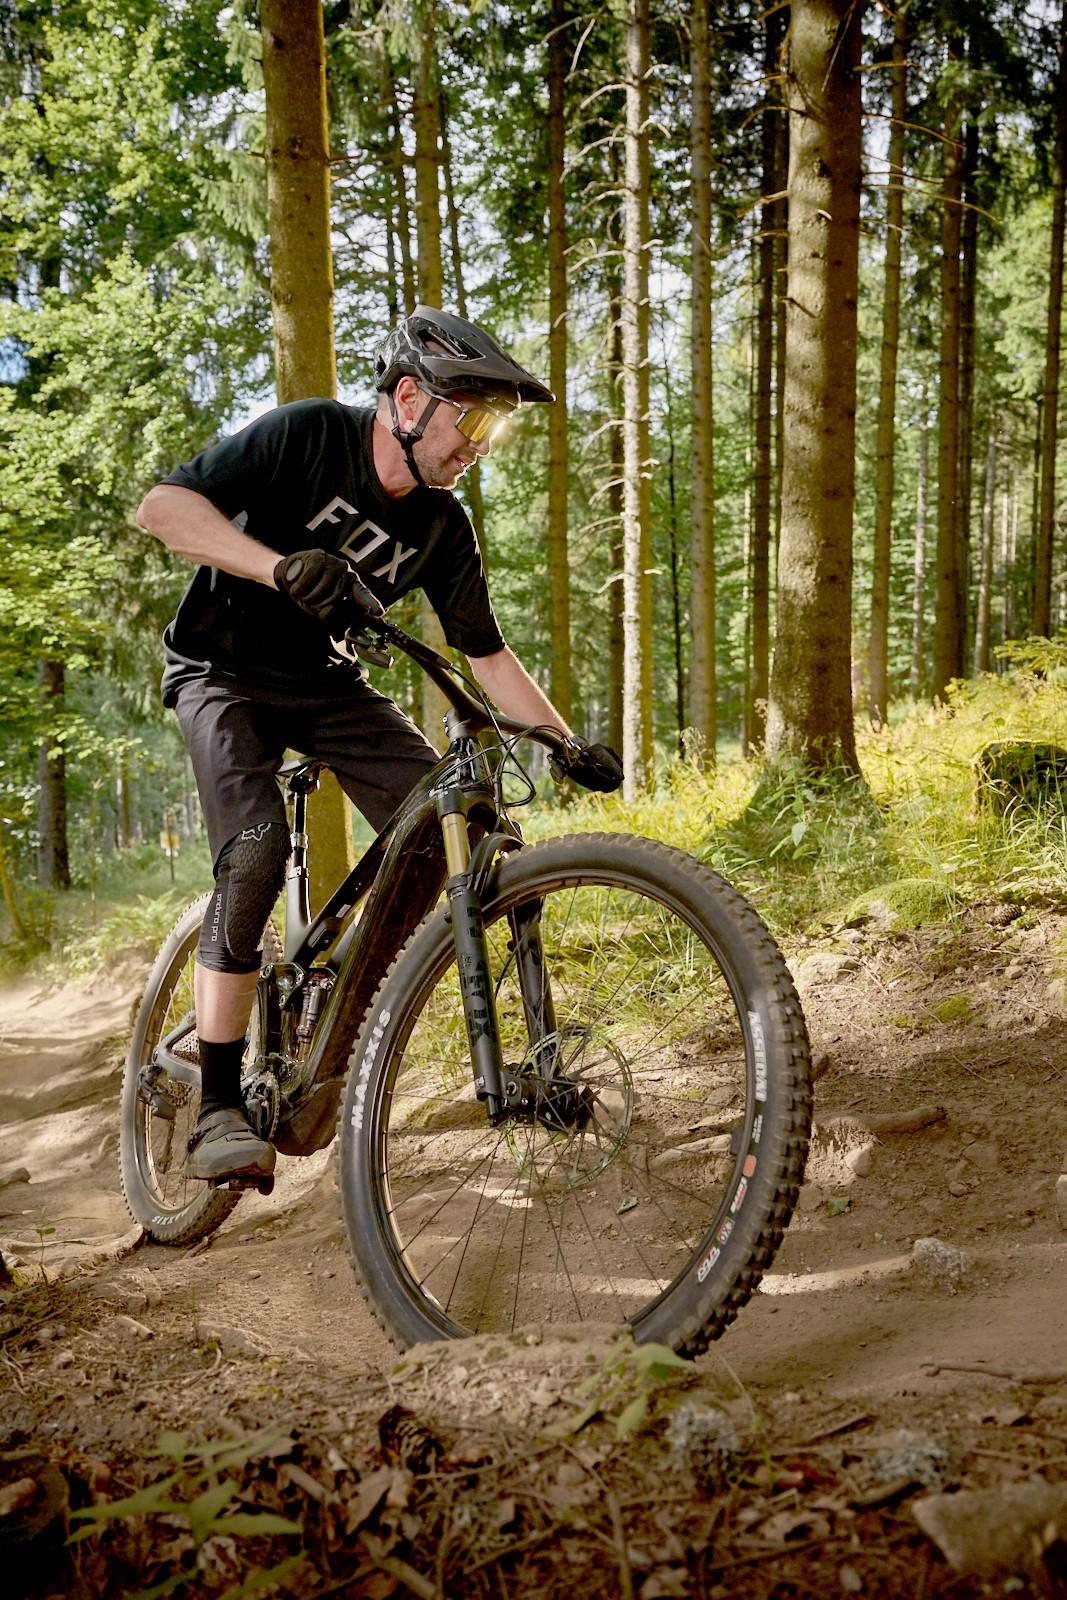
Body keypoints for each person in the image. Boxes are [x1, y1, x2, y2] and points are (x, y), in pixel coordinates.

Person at [137, 306, 623, 1185]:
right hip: (220, 670)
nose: (480, 443)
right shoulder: (307, 434)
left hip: (324, 686)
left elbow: (486, 654)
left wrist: (560, 743)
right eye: (471, 419)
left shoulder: (443, 525)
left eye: (495, 428)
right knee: (253, 856)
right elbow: (163, 508)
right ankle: (215, 1104)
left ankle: (341, 1036)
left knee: (462, 823)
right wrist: (275, 565)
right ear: (408, 398)